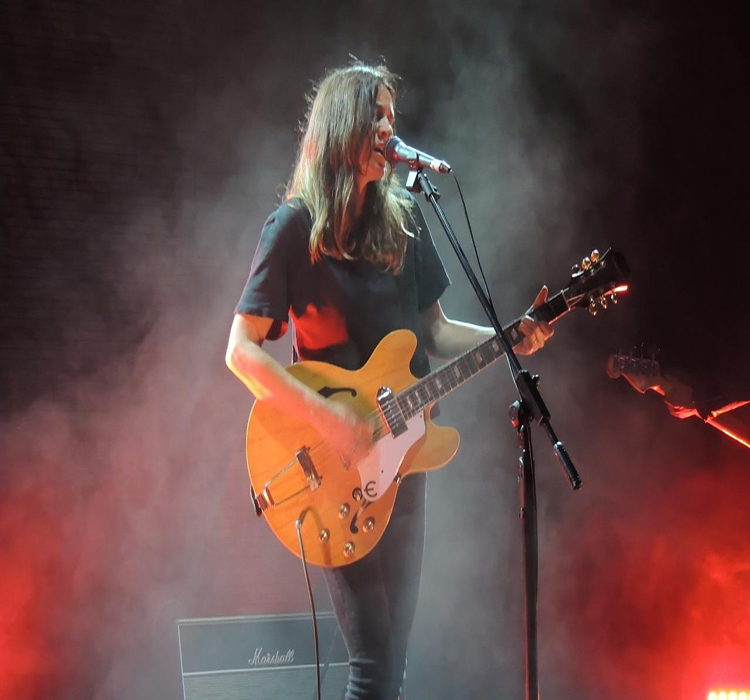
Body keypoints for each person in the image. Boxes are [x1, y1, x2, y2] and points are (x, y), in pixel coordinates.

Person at [225, 62, 553, 700]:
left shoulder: (405, 220)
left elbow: (435, 333)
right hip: (331, 469)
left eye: (392, 118)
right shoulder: (293, 227)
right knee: (372, 665)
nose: (388, 129)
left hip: (402, 460)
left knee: (392, 665)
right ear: (341, 123)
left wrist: (512, 335)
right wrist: (331, 420)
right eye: (375, 115)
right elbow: (241, 352)